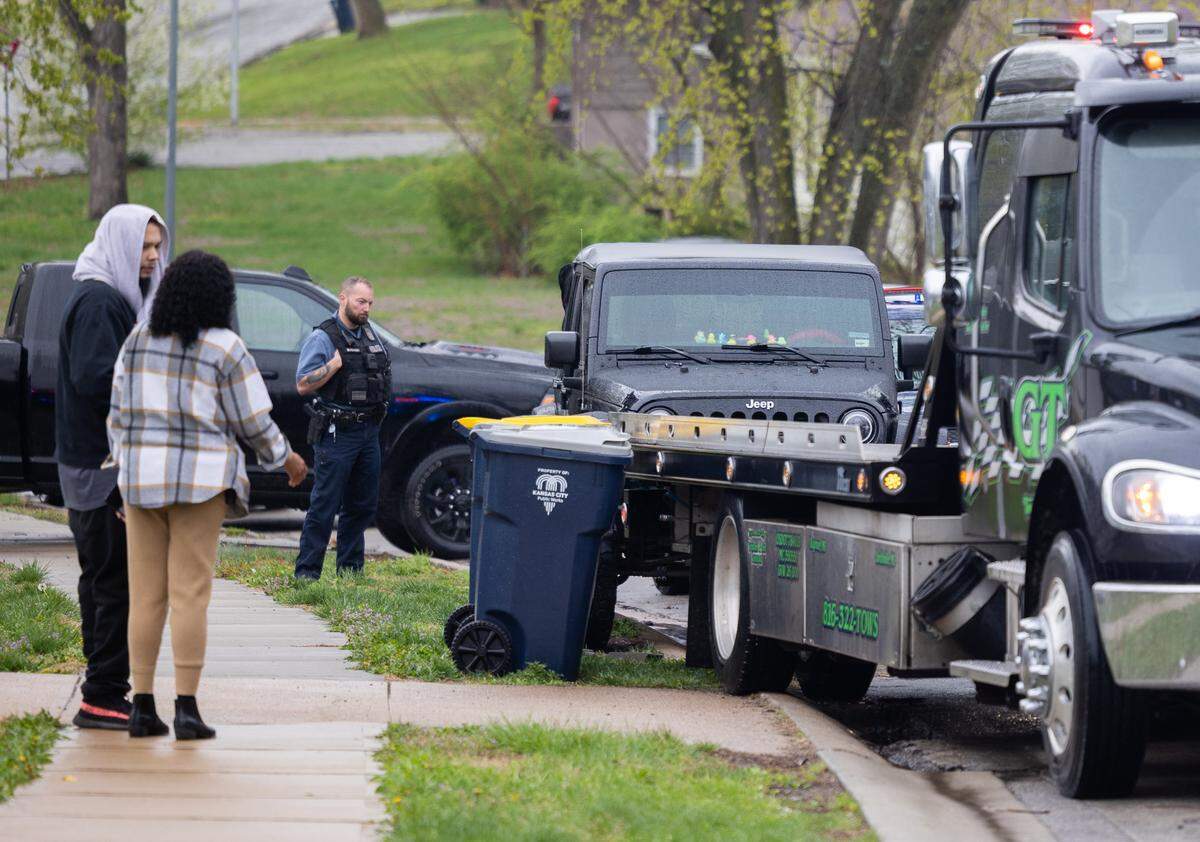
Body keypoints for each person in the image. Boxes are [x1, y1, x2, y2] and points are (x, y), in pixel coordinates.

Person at [107, 250, 308, 739]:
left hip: (141, 482)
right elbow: (253, 421)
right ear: (220, 298)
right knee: (190, 593)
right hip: (200, 482)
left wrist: (122, 470)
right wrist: (288, 460)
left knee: (146, 597)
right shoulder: (225, 347)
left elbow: (117, 413)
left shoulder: (137, 339)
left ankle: (141, 708)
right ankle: (187, 710)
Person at [56, 204, 168, 730]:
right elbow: (97, 379)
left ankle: (101, 690)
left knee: (102, 579)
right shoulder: (102, 301)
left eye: (155, 247)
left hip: (96, 464)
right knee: (115, 584)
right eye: (143, 247)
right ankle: (102, 696)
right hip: (101, 469)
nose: (151, 258)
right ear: (119, 245)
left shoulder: (111, 297)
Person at [293, 276, 390, 580]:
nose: (366, 309)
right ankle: (307, 574)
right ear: (343, 298)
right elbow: (302, 384)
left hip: (368, 432)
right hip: (337, 432)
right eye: (361, 301)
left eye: (370, 303)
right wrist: (333, 366)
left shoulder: (369, 334)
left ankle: (350, 573)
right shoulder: (324, 337)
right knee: (325, 505)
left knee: (361, 506)